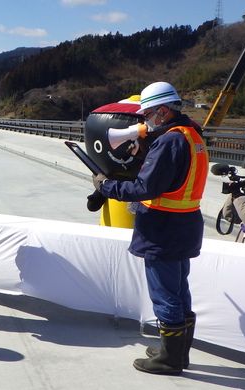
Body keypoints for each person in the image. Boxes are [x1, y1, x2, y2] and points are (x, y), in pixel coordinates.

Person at [92, 81, 208, 375]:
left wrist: (107, 186)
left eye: (147, 115)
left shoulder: (169, 141)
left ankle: (169, 360)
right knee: (180, 291)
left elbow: (146, 187)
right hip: (185, 225)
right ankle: (178, 354)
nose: (144, 120)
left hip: (163, 230)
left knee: (164, 294)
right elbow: (173, 177)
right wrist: (146, 152)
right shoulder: (192, 133)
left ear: (163, 111)